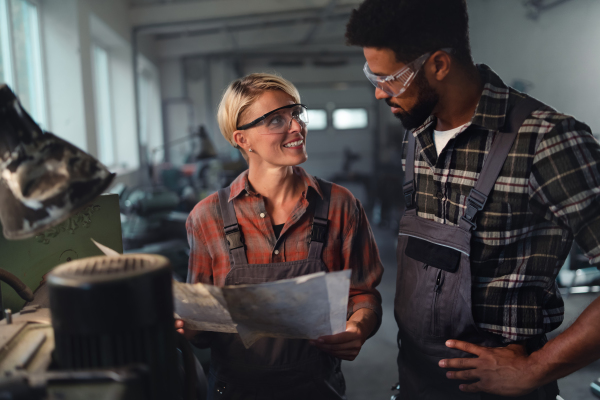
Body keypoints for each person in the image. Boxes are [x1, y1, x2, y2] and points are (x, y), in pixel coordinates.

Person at [346, 0, 600, 398]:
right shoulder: (416, 134)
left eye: (389, 78)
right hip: (417, 379)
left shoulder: (546, 141)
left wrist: (536, 367)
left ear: (439, 65)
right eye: (372, 76)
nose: (380, 93)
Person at [175, 73, 383, 399]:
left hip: (317, 389)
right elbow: (202, 327)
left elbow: (362, 293)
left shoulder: (341, 205)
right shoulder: (207, 218)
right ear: (242, 139)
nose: (297, 127)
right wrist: (188, 325)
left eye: (296, 114)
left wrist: (359, 326)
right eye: (276, 120)